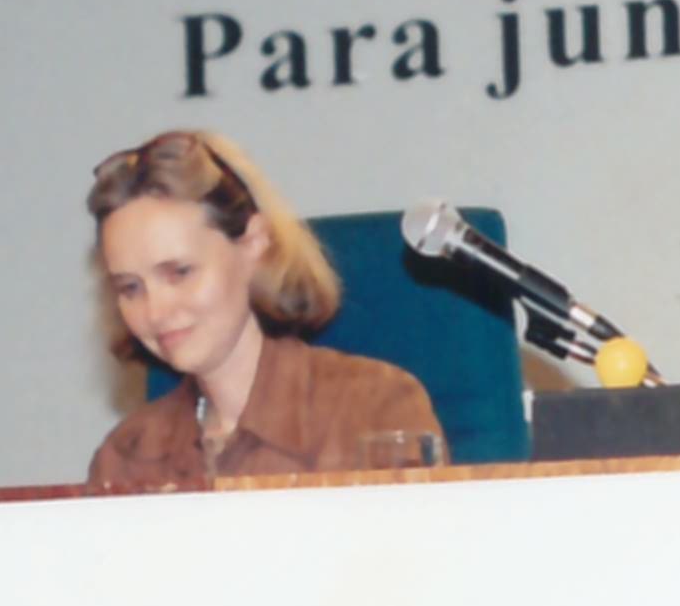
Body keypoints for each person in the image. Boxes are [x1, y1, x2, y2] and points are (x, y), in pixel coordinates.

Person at [84, 129, 445, 493]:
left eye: (180, 272)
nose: (156, 312)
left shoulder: (377, 410)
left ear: (254, 243)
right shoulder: (123, 458)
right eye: (130, 288)